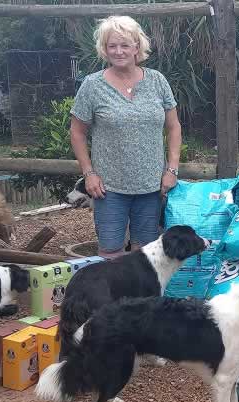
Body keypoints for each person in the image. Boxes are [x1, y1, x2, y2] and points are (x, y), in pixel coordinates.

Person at [70, 15, 181, 258]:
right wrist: (88, 173)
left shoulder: (157, 81)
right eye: (112, 45)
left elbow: (173, 127)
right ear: (104, 49)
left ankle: (142, 298)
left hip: (152, 187)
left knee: (147, 256)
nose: (118, 51)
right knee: (110, 253)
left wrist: (171, 170)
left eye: (125, 45)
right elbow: (77, 132)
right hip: (108, 189)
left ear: (137, 47)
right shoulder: (92, 85)